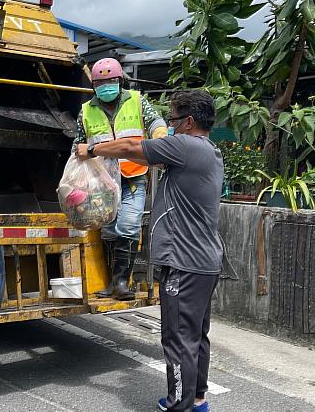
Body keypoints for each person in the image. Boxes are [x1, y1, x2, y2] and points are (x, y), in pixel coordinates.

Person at [76, 89, 223, 412]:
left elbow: (131, 147)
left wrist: (91, 149)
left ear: (188, 121)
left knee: (178, 337)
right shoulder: (207, 151)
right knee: (196, 335)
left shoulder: (186, 146)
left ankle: (180, 405)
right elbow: (144, 156)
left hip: (184, 262)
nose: (168, 127)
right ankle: (196, 399)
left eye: (172, 120)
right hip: (202, 261)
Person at [72, 57, 168, 301]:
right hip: (103, 180)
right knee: (109, 229)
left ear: (120, 81)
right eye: (100, 83)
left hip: (133, 175)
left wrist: (160, 137)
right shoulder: (86, 110)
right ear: (94, 86)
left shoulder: (136, 101)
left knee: (128, 224)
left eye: (110, 81)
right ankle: (113, 283)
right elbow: (79, 143)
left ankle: (123, 282)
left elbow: (156, 122)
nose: (106, 86)